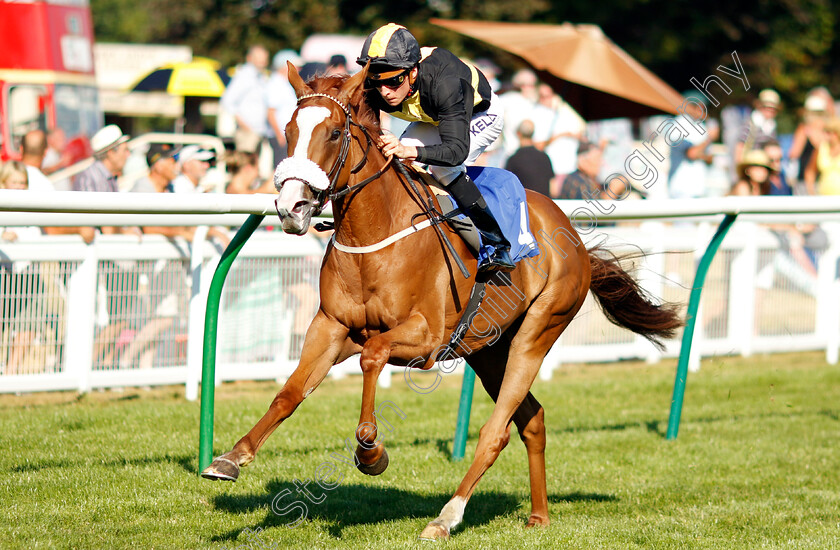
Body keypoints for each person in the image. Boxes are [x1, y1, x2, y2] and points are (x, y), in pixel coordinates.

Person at [356, 23, 513, 272]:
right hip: (434, 115)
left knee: (443, 170)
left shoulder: (446, 83)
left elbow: (456, 151)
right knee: (394, 161)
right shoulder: (377, 84)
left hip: (478, 114)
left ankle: (498, 245)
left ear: (412, 73)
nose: (385, 92)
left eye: (394, 82)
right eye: (378, 82)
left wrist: (410, 151)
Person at [667, 92, 719, 199]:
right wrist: (709, 139)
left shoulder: (702, 126)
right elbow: (692, 153)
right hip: (681, 187)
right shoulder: (679, 124)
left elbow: (709, 158)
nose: (702, 111)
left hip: (699, 187)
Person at [221, 45, 270, 154]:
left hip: (259, 131)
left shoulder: (261, 77)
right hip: (247, 132)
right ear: (249, 58)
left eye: (264, 59)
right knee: (245, 164)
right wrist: (244, 125)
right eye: (259, 58)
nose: (262, 62)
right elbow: (228, 101)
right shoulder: (244, 76)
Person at [266, 50, 301, 167]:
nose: (299, 69)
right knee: (280, 167)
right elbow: (270, 112)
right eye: (296, 66)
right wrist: (279, 135)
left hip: (286, 135)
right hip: (280, 135)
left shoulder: (284, 83)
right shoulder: (275, 84)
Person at [789, 93, 828, 191]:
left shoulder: (803, 130)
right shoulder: (828, 132)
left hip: (804, 180)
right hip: (823, 179)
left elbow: (794, 153)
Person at [504, 119, 554, 197]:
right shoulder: (545, 157)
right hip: (544, 204)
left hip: (526, 206)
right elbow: (553, 190)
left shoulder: (513, 160)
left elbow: (507, 188)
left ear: (518, 134)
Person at [735, 88, 781, 164]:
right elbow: (740, 147)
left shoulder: (772, 126)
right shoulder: (750, 123)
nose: (770, 111)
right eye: (768, 108)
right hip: (750, 163)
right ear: (760, 106)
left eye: (773, 109)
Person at [804, 117, 840, 196]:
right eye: (826, 131)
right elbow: (810, 171)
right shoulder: (821, 148)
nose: (826, 135)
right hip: (824, 196)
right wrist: (811, 192)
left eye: (829, 132)